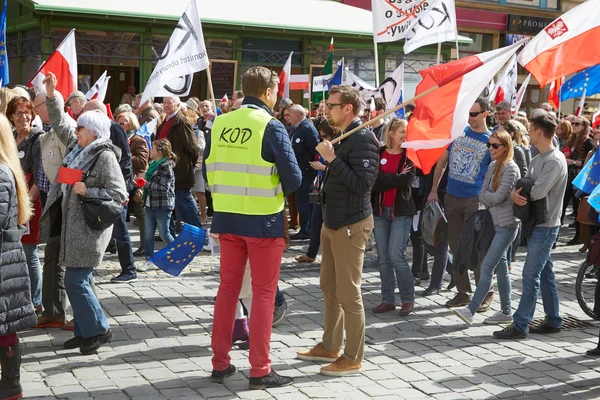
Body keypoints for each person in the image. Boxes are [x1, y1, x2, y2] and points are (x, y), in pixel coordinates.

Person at [205, 66, 301, 389]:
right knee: (262, 294)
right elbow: (295, 179)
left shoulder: (220, 122)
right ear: (269, 93)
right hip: (263, 221)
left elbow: (209, 169)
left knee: (227, 291)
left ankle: (220, 363)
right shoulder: (270, 125)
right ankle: (260, 369)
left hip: (227, 218)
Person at [40, 73, 127, 353]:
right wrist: (53, 96)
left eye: (81, 128)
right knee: (81, 279)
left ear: (94, 131)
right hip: (72, 227)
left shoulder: (104, 155)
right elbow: (60, 123)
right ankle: (84, 330)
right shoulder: (80, 148)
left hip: (90, 229)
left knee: (75, 280)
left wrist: (87, 191)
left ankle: (98, 330)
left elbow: (119, 194)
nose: (76, 131)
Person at [297, 85, 378, 377]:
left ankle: (353, 356)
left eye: (331, 105)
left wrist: (332, 160)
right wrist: (329, 162)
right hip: (332, 221)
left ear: (348, 108)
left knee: (348, 293)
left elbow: (363, 184)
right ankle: (330, 345)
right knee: (329, 288)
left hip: (351, 224)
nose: (326, 109)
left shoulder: (364, 138)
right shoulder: (345, 137)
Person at [494, 113, 568, 339]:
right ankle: (553, 319)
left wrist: (522, 191)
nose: (527, 132)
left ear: (538, 132)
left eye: (531, 129)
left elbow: (536, 191)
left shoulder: (554, 160)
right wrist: (519, 193)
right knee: (545, 273)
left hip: (546, 225)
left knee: (530, 275)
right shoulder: (537, 159)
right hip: (535, 222)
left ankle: (520, 324)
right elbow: (525, 186)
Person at [427, 98, 493, 308]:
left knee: (474, 248)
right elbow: (442, 162)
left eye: (474, 114)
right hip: (452, 198)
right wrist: (434, 189)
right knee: (455, 247)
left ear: (485, 113)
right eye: (468, 114)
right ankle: (463, 291)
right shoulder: (459, 133)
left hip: (475, 200)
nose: (470, 119)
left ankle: (485, 292)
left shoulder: (491, 140)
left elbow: (495, 173)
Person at [453, 130, 520, 325]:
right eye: (489, 145)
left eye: (495, 145)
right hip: (492, 223)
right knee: (501, 270)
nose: (490, 149)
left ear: (506, 147)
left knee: (488, 267)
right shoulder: (492, 166)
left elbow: (496, 197)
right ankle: (507, 311)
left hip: (506, 225)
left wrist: (491, 198)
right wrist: (492, 198)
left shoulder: (511, 169)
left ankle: (471, 309)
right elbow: (481, 194)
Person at [0, 113, 37, 400]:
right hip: (5, 260)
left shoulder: (1, 172)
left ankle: (12, 386)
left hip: (3, 262)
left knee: (5, 328)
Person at [32, 89, 72, 329]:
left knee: (62, 260)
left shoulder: (65, 128)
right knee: (51, 258)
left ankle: (65, 312)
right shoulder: (47, 132)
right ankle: (52, 310)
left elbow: (72, 165)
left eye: (39, 106)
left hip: (64, 201)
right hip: (51, 201)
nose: (36, 111)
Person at [370, 118, 417, 316]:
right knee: (383, 258)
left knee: (397, 256)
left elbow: (405, 181)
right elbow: (373, 182)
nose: (405, 136)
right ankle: (387, 299)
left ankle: (408, 299)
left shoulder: (409, 156)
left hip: (401, 212)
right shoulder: (379, 153)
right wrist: (391, 179)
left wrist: (383, 177)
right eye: (402, 132)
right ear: (391, 133)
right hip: (380, 212)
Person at [6, 97, 44, 315]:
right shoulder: (10, 138)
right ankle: (20, 297)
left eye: (28, 112)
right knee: (14, 251)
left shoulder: (37, 139)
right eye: (19, 113)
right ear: (11, 117)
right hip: (10, 201)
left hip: (30, 201)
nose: (24, 117)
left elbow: (40, 177)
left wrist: (25, 205)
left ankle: (36, 301)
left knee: (30, 252)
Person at [156, 96, 202, 229]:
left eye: (169, 103)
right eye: (164, 103)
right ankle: (169, 233)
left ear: (177, 105)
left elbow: (192, 147)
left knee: (184, 199)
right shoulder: (165, 121)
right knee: (172, 202)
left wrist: (187, 163)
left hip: (179, 169)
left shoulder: (181, 122)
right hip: (165, 168)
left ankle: (197, 231)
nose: (166, 106)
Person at [295, 120, 337, 263]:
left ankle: (332, 256)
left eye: (324, 136)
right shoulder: (327, 146)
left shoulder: (338, 147)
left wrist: (322, 167)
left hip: (334, 192)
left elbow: (339, 170)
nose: (322, 139)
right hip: (321, 188)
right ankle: (311, 253)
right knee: (315, 220)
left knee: (330, 227)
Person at [138, 139, 177, 272]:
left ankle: (176, 255)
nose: (150, 151)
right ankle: (149, 260)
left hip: (163, 205)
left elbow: (164, 188)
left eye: (152, 148)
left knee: (164, 233)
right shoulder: (153, 164)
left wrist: (145, 184)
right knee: (148, 234)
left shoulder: (166, 166)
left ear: (159, 152)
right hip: (150, 203)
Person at [117, 112, 149, 258]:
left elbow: (143, 162)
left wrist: (126, 153)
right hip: (121, 180)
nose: (120, 125)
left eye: (123, 123)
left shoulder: (138, 140)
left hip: (136, 181)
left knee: (140, 215)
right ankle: (114, 243)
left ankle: (144, 246)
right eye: (118, 122)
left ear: (131, 123)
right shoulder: (117, 139)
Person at [288, 104, 320, 241]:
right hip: (299, 171)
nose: (288, 118)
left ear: (297, 115)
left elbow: (315, 149)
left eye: (289, 115)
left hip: (306, 172)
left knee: (302, 201)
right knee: (300, 201)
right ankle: (306, 228)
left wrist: (314, 167)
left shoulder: (307, 128)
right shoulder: (298, 129)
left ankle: (306, 230)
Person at [564, 116, 594, 246]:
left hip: (579, 178)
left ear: (584, 127)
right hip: (569, 176)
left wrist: (573, 162)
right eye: (573, 123)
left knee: (577, 208)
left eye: (577, 124)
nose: (574, 125)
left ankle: (579, 236)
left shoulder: (589, 142)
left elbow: (590, 163)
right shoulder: (571, 141)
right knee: (563, 204)